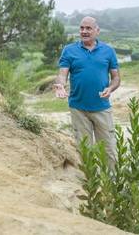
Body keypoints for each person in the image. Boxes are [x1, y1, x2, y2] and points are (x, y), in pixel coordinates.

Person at [54, 16, 120, 169]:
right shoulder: (69, 50)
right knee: (85, 151)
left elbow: (116, 78)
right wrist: (60, 85)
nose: (84, 31)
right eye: (82, 28)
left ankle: (111, 185)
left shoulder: (108, 51)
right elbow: (62, 74)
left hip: (102, 107)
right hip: (78, 109)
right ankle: (89, 184)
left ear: (97, 31)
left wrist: (110, 88)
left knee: (109, 149)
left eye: (88, 28)